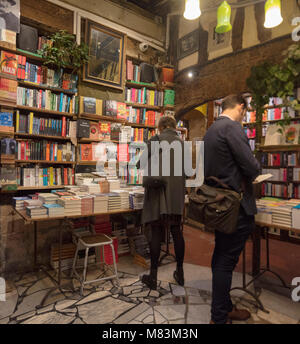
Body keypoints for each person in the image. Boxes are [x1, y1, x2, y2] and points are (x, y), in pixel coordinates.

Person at [203, 94, 260, 324]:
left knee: (220, 257)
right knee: (226, 261)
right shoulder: (232, 128)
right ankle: (219, 317)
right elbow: (251, 166)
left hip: (219, 203)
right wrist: (255, 168)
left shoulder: (211, 130)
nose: (244, 116)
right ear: (240, 107)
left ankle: (224, 308)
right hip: (235, 206)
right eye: (244, 112)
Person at [138, 116, 186, 290]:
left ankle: (153, 275)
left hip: (158, 195)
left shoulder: (156, 140)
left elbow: (140, 163)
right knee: (176, 231)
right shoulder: (182, 144)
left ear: (162, 127)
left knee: (156, 232)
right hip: (176, 195)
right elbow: (187, 171)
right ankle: (180, 273)